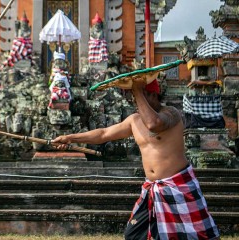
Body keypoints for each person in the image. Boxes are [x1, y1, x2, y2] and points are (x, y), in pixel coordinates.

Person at [52, 79, 220, 239]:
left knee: (199, 235)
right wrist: (70, 137)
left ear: (154, 95)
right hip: (152, 189)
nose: (135, 100)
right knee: (133, 234)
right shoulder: (134, 120)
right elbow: (103, 134)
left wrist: (137, 88)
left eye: (139, 96)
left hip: (178, 185)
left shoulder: (171, 114)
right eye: (133, 96)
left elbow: (153, 124)